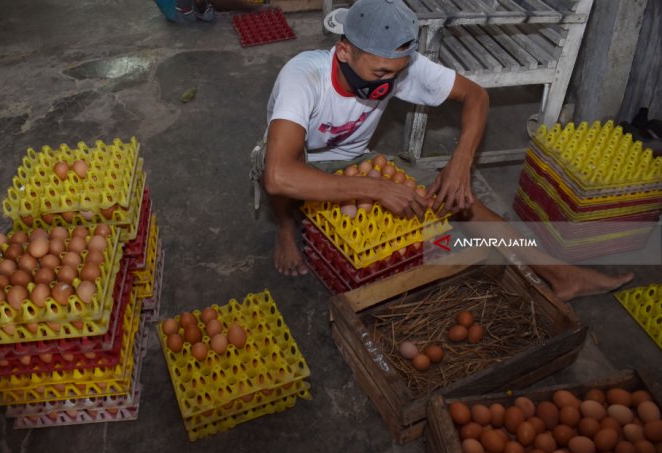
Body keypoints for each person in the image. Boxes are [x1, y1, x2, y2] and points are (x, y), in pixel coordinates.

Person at [253, 0, 634, 301]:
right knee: (290, 167)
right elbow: (277, 175)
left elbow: (476, 96)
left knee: (458, 197)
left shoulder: (398, 65)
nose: (388, 83)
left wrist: (460, 163)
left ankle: (561, 275)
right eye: (380, 74)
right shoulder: (303, 77)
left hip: (354, 158)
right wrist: (375, 188)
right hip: (300, 159)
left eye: (397, 73)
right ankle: (286, 228)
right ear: (343, 52)